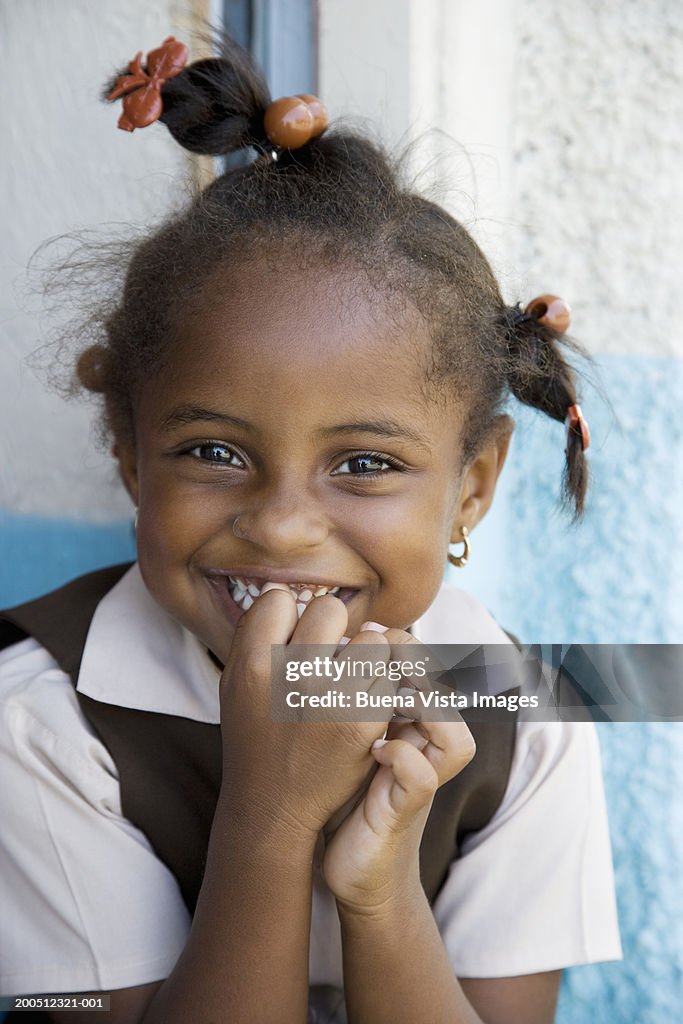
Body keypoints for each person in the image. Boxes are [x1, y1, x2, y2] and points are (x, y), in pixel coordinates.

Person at [0, 32, 621, 1024]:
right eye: (211, 450)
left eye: (364, 464)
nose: (282, 528)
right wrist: (271, 815)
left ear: (470, 489)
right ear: (128, 450)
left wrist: (378, 895)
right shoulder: (37, 721)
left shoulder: (527, 723)